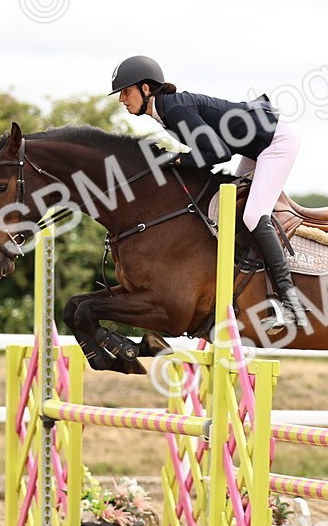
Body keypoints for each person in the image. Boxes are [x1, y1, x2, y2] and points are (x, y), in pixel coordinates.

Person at [108, 55, 308, 333]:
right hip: (251, 147)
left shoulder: (174, 109)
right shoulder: (166, 111)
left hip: (275, 141)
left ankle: (290, 302)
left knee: (252, 214)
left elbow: (218, 153)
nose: (121, 99)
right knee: (227, 204)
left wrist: (177, 159)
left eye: (125, 91)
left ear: (145, 89)